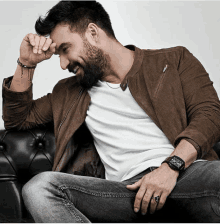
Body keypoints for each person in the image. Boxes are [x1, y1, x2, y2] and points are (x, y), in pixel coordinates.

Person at [2, 0, 220, 223]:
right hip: (124, 193)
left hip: (185, 175)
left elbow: (210, 115)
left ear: (93, 32)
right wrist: (26, 63)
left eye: (65, 50)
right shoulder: (68, 92)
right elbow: (18, 119)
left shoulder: (174, 60)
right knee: (40, 188)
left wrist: (170, 167)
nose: (63, 64)